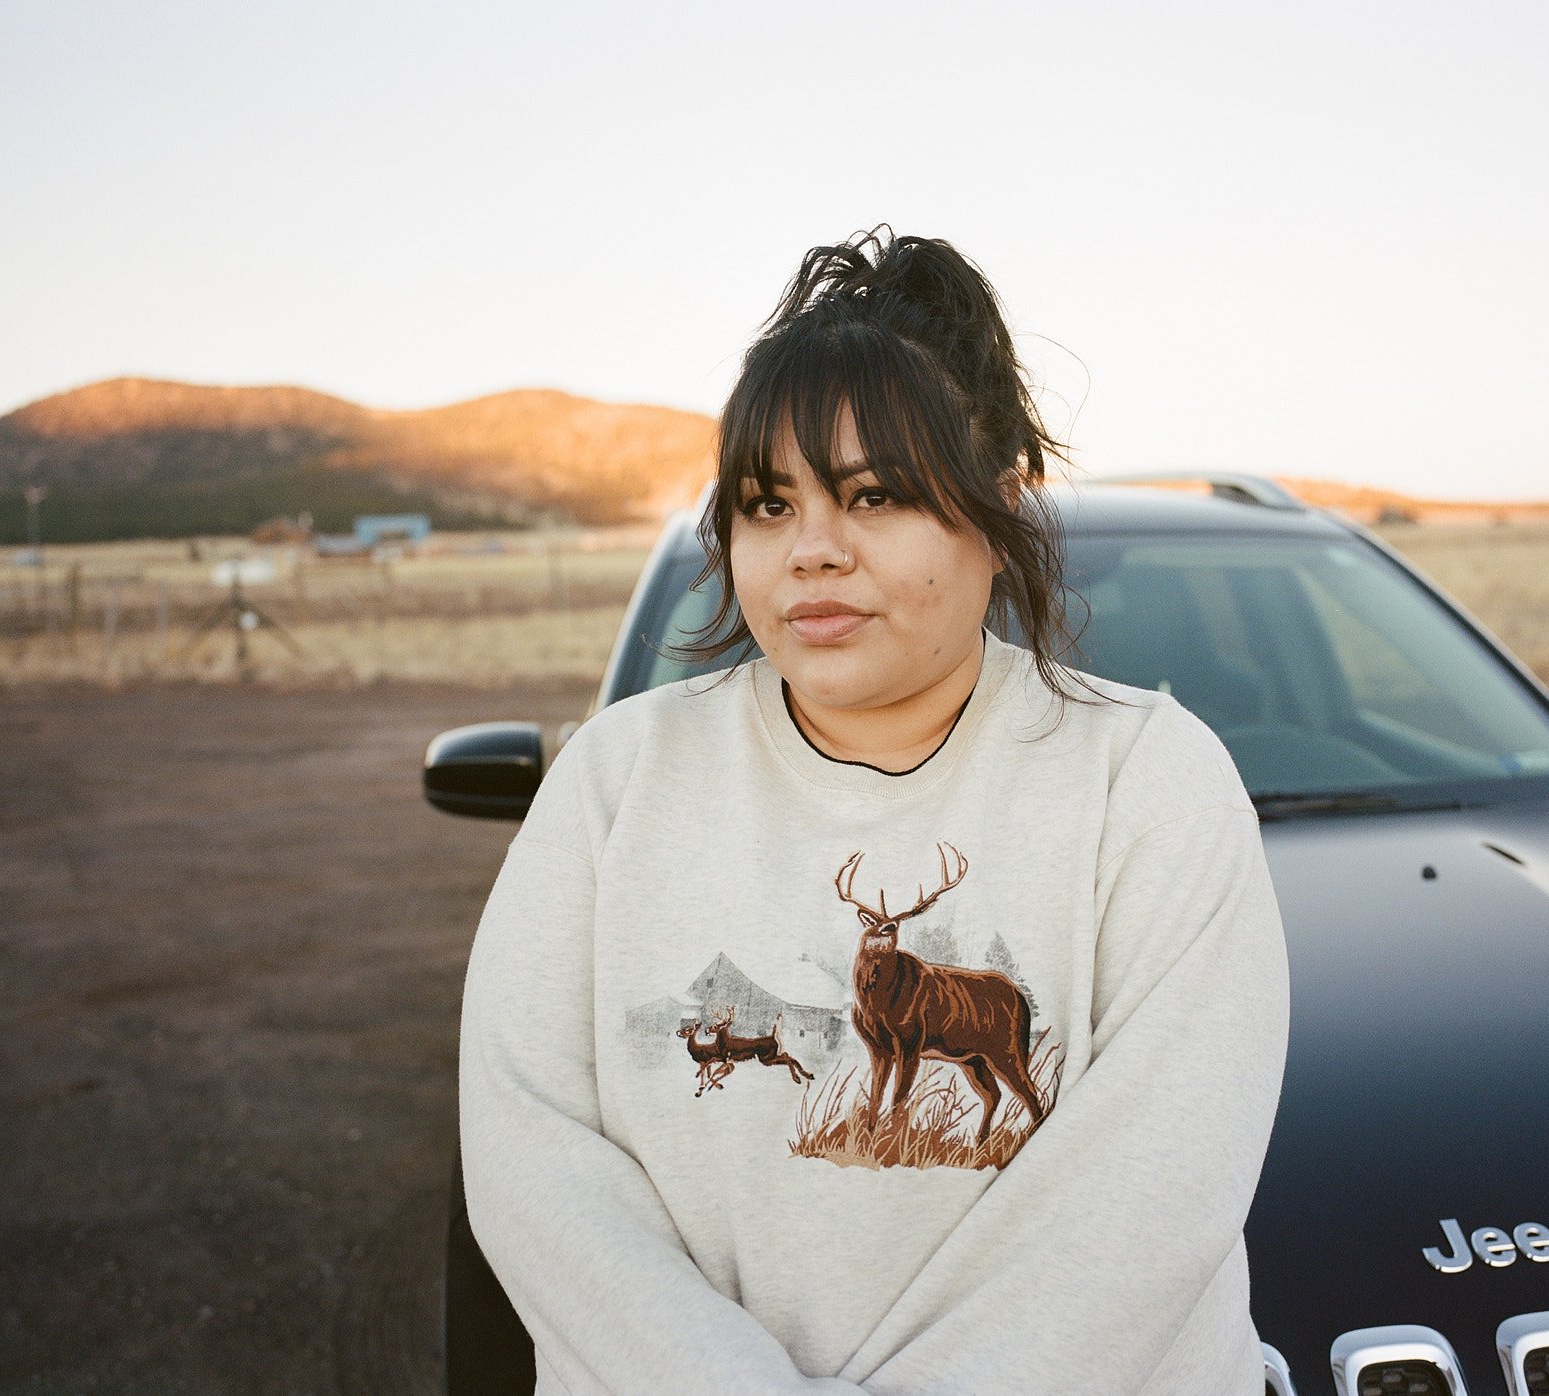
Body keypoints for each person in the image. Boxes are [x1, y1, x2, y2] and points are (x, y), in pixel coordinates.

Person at [458, 227, 1289, 1394]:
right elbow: (529, 1158)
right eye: (766, 504)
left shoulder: (1145, 780)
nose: (812, 552)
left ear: (999, 511)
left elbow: (1150, 1199)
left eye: (874, 495)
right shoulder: (613, 780)